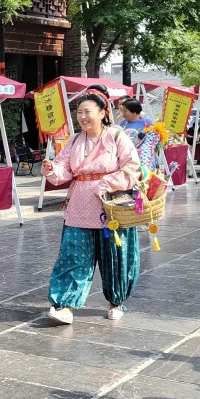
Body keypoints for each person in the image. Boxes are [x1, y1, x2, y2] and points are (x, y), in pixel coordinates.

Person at [41, 85, 141, 324]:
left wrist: (108, 182)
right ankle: (65, 305)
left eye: (87, 111)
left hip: (111, 206)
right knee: (73, 256)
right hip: (79, 207)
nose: (83, 117)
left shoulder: (117, 137)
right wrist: (52, 169)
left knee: (115, 257)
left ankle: (116, 301)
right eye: (79, 113)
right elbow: (64, 169)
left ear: (103, 112)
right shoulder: (74, 140)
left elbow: (132, 167)